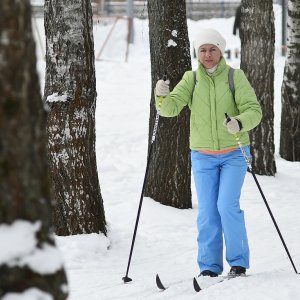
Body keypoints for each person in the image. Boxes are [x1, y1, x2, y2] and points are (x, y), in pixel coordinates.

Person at [155, 28, 262, 278]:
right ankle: (209, 267)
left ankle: (238, 262)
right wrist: (161, 95)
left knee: (226, 206)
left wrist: (239, 121)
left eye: (212, 49)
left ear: (220, 51)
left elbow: (253, 110)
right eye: (202, 50)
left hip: (234, 152)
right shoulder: (190, 79)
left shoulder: (236, 77)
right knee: (207, 211)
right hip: (202, 155)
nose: (207, 54)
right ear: (197, 52)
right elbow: (169, 109)